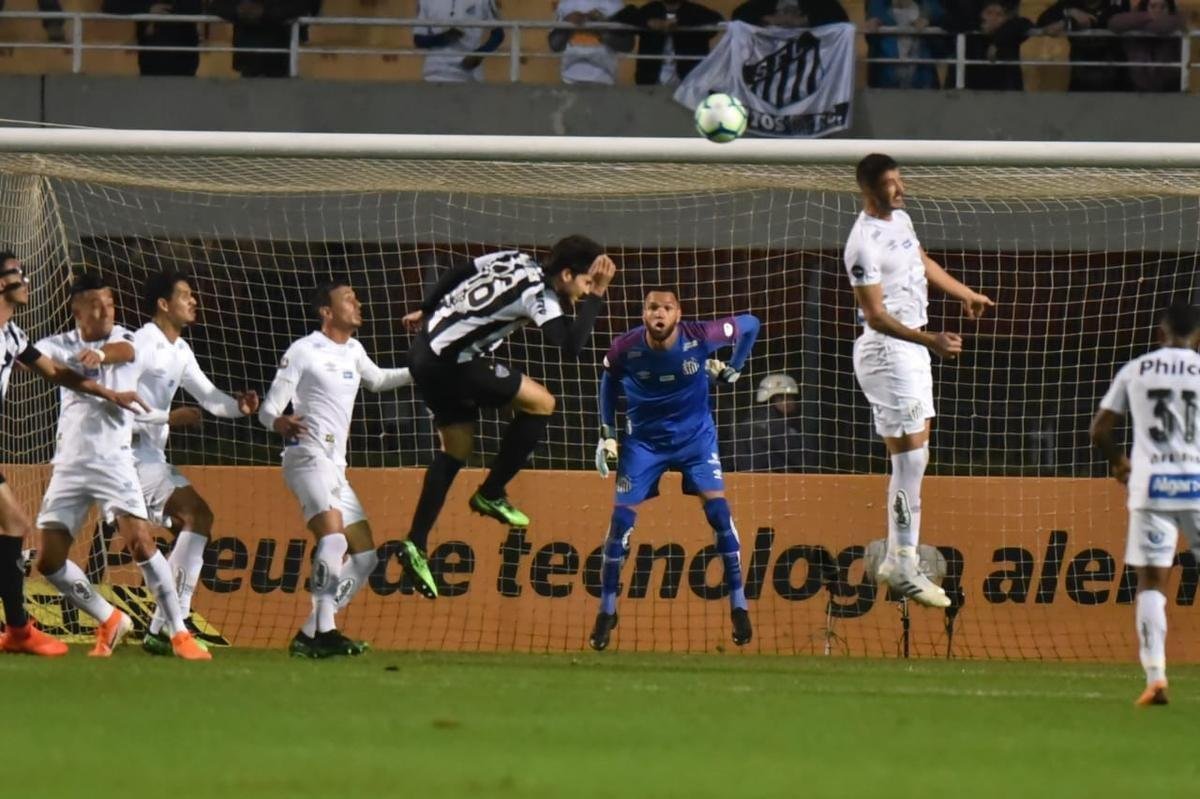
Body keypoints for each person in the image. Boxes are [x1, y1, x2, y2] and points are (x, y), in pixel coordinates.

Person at [399, 238, 617, 599]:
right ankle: (492, 492)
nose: (585, 291)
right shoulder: (540, 296)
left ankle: (415, 543)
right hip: (453, 364)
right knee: (542, 403)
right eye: (585, 283)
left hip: (423, 350)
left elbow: (462, 271)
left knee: (456, 448)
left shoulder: (516, 258)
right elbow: (570, 347)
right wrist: (599, 296)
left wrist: (426, 307)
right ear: (566, 274)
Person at [32, 272, 210, 660]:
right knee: (49, 560)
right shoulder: (58, 344)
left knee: (141, 543)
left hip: (115, 460)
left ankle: (178, 632)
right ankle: (109, 618)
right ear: (76, 310)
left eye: (110, 303)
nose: (105, 311)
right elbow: (38, 361)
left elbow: (123, 354)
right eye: (95, 305)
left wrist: (98, 356)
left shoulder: (125, 338)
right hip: (69, 464)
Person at [844, 153, 993, 608]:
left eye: (899, 180)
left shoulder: (902, 221)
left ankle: (900, 555)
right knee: (909, 460)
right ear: (870, 190)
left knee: (915, 456)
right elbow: (875, 316)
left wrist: (964, 292)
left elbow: (921, 260)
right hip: (889, 351)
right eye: (891, 183)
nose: (900, 188)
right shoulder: (862, 244)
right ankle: (902, 559)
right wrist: (930, 339)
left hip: (910, 352)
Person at [589, 289, 760, 650]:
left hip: (695, 441)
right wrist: (607, 434)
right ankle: (607, 610)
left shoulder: (702, 336)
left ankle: (739, 605)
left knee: (719, 513)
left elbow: (751, 324)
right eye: (653, 307)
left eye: (667, 308)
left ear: (678, 314)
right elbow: (608, 382)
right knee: (619, 526)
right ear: (644, 313)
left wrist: (735, 367)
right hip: (643, 445)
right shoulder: (626, 348)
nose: (659, 313)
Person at [258, 280, 413, 658]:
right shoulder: (304, 351)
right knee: (335, 539)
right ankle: (325, 632)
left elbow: (377, 380)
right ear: (326, 312)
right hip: (307, 458)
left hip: (336, 467)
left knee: (365, 557)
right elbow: (268, 409)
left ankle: (310, 633)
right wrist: (278, 423)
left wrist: (419, 370)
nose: (357, 302)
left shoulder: (355, 350)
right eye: (348, 298)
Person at [132, 271, 260, 656]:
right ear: (163, 304)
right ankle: (173, 623)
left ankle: (165, 626)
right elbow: (112, 405)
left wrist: (239, 407)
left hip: (150, 456)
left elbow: (208, 396)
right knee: (196, 516)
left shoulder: (180, 350)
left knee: (196, 520)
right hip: (124, 454)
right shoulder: (140, 344)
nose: (194, 301)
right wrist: (166, 419)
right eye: (185, 295)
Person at [1089, 301, 1200, 706]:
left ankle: (1156, 677)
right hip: (1197, 482)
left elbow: (1099, 430)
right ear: (1197, 338)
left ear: (1161, 334)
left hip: (1152, 487)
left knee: (1152, 584)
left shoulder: (1137, 369)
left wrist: (1119, 462)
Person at [1037, 0, 1130, 91]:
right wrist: (1070, 12)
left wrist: (1067, 23)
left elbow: (1102, 21)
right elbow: (1042, 22)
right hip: (1080, 76)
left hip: (1115, 77)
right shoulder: (1070, 4)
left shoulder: (1116, 3)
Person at [211, 0, 317, 78]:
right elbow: (216, 5)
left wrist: (264, 13)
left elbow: (305, 5)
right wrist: (238, 10)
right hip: (248, 55)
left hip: (280, 53)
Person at [633, 0, 723, 87]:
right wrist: (649, 23)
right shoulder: (650, 9)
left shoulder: (695, 10)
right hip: (651, 78)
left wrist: (679, 23)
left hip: (688, 79)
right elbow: (625, 17)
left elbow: (717, 20)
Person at [549, 0, 640, 85]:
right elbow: (555, 45)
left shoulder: (615, 4)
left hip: (605, 80)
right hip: (569, 79)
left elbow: (627, 45)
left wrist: (601, 28)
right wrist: (567, 23)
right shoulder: (566, 3)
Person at [101, 0, 203, 76]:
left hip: (184, 61)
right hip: (151, 61)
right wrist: (148, 9)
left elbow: (197, 8)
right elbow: (110, 6)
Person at [730, 373, 805, 473]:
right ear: (768, 400)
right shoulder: (777, 428)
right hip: (775, 481)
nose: (788, 402)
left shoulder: (745, 424)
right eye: (781, 398)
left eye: (791, 398)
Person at [414, 0, 504, 82]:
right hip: (436, 72)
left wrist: (479, 54)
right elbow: (418, 39)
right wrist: (444, 37)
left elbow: (498, 34)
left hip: (470, 73)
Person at [863, 0, 944, 89]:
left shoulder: (928, 9)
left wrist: (927, 17)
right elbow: (871, 37)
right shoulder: (879, 11)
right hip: (886, 82)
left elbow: (940, 12)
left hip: (923, 81)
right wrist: (874, 19)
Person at [1108, 0, 1185, 93]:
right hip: (1135, 87)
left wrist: (1142, 24)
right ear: (1145, 8)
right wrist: (1148, 16)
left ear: (1170, 9)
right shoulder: (1139, 18)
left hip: (1170, 89)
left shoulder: (1176, 20)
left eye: (1163, 7)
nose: (1158, 10)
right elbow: (1113, 23)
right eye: (1153, 6)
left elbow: (1160, 27)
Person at [958, 0, 1032, 91]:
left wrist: (996, 43)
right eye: (989, 13)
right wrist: (978, 26)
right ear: (981, 14)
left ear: (1006, 18)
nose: (993, 18)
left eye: (999, 14)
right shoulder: (972, 32)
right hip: (974, 92)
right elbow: (947, 21)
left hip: (1006, 92)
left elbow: (1026, 23)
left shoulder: (1012, 31)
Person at [731, 0, 849, 27]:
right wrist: (764, 19)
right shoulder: (765, 2)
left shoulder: (821, 2)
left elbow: (841, 21)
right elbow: (738, 16)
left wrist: (805, 20)